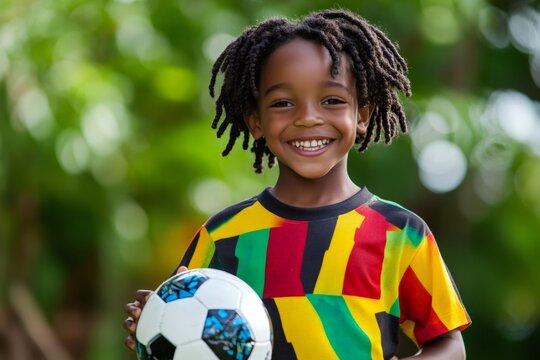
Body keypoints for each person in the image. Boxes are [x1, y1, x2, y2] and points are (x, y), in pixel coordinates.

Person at [124, 9, 471, 359]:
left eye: (332, 100)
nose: (307, 117)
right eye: (283, 103)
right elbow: (189, 337)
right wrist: (156, 325)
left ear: (362, 114)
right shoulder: (223, 235)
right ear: (256, 121)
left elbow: (448, 343)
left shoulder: (401, 233)